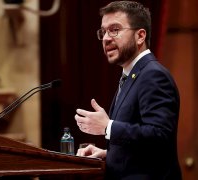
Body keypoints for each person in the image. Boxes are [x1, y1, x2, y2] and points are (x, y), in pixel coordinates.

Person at [74, 1, 181, 180]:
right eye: (103, 31)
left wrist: (107, 127)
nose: (106, 38)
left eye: (115, 30)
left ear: (140, 36)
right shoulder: (132, 75)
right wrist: (109, 154)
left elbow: (159, 136)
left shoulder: (153, 75)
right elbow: (143, 146)